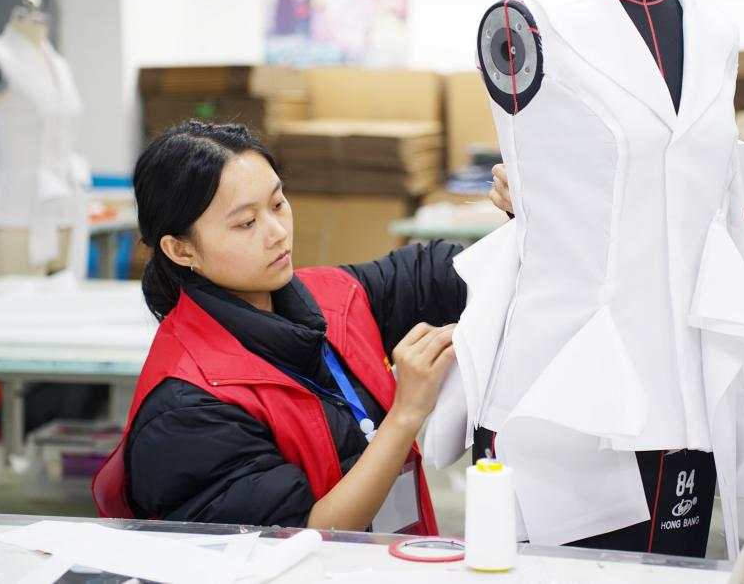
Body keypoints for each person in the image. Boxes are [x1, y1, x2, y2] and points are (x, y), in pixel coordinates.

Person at [93, 121, 466, 533]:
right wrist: (406, 413)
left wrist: (515, 208)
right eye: (245, 223)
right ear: (181, 250)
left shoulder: (337, 297)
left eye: (277, 204)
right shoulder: (186, 408)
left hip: (389, 560)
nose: (277, 233)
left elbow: (439, 270)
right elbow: (299, 535)